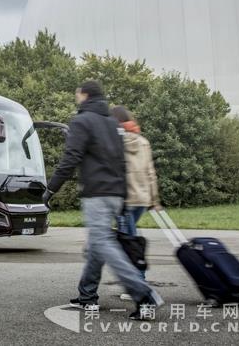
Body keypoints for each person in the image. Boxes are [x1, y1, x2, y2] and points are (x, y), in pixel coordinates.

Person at [42, 80, 163, 320]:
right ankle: (87, 297)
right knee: (98, 245)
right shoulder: (112, 123)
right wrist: (124, 197)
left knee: (104, 245)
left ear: (84, 95)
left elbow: (71, 158)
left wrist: (50, 189)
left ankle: (144, 294)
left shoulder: (81, 121)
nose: (77, 97)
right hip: (116, 193)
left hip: (97, 194)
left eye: (77, 94)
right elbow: (120, 162)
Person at [111, 105, 161, 293]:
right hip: (142, 198)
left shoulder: (115, 141)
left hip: (124, 200)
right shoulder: (143, 141)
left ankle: (138, 285)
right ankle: (136, 283)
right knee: (129, 239)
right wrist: (154, 199)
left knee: (129, 244)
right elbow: (151, 172)